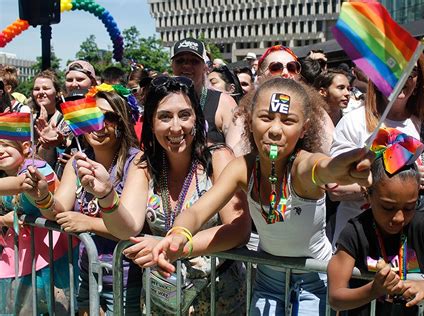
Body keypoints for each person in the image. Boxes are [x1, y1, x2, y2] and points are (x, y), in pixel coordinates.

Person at [133, 78, 373, 315]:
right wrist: (178, 235)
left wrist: (343, 166)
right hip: (267, 279)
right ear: (249, 121)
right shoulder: (241, 169)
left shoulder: (302, 167)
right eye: (266, 118)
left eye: (288, 121)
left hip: (313, 279)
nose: (275, 130)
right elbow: (196, 211)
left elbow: (323, 167)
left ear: (305, 128)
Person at [75, 75, 250, 315]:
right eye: (165, 117)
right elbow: (127, 228)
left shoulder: (219, 159)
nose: (176, 127)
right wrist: (106, 195)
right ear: (151, 123)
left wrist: (175, 247)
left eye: (185, 115)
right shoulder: (143, 165)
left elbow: (238, 228)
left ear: (197, 119)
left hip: (218, 300)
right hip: (162, 301)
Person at [328, 129, 424, 315]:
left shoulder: (420, 224)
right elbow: (335, 297)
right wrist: (374, 290)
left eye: (409, 207)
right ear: (367, 195)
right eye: (388, 208)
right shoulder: (356, 231)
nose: (399, 217)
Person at [24, 85, 142, 315]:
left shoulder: (136, 162)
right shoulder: (77, 162)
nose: (99, 124)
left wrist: (87, 223)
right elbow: (58, 212)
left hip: (127, 279)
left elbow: (131, 228)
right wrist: (42, 195)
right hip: (85, 275)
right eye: (93, 116)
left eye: (109, 117)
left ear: (123, 122)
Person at [330, 54, 424, 245]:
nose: (401, 77)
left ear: (419, 79)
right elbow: (334, 188)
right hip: (360, 241)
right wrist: (397, 181)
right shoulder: (354, 122)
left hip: (411, 244)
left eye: (411, 71)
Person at [0, 139, 71, 314]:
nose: (0, 151)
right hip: (23, 254)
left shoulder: (36, 168)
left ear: (25, 147)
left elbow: (22, 184)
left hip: (51, 256)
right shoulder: (5, 175)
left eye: (6, 145)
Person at [170, 38, 245, 155]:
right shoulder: (163, 102)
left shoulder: (223, 102)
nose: (186, 65)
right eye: (180, 61)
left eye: (194, 61)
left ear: (205, 67)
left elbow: (237, 153)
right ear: (172, 66)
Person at [256, 45, 334, 155]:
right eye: (275, 68)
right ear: (259, 79)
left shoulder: (315, 110)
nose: (285, 73)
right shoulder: (245, 112)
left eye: (292, 67)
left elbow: (333, 152)